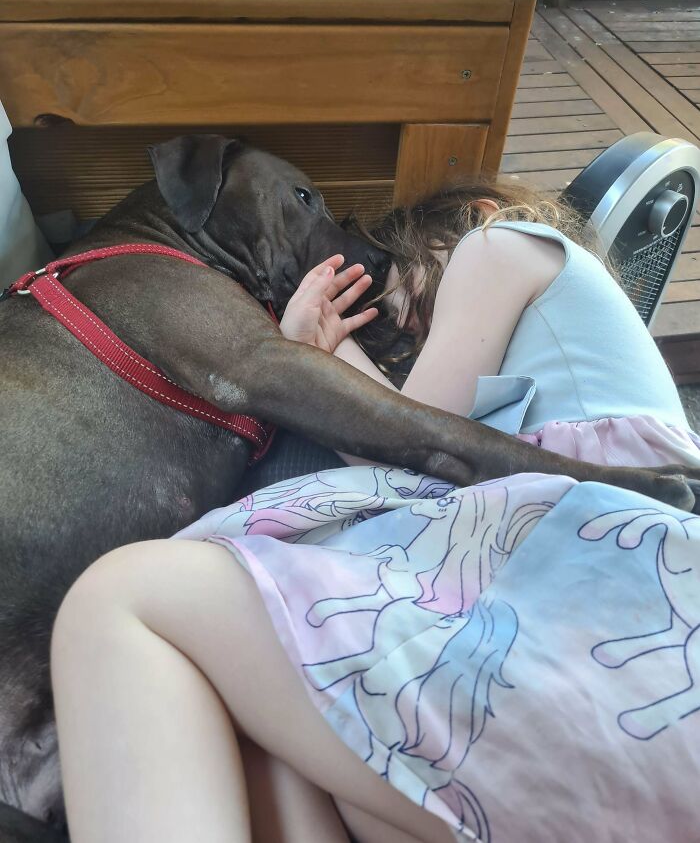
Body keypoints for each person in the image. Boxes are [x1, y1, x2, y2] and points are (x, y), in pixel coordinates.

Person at [51, 182, 700, 843]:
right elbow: (418, 453)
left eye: (406, 296)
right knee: (257, 726)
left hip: (601, 573)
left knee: (123, 596)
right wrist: (320, 353)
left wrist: (311, 353)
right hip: (578, 656)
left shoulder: (500, 242)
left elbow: (426, 433)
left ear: (466, 217)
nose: (411, 328)